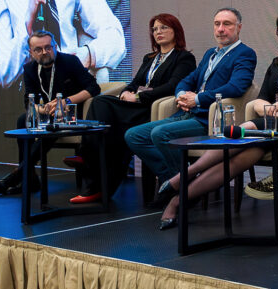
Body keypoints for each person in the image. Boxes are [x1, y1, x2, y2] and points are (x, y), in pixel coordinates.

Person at [157, 10, 278, 229]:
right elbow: (259, 101)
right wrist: (273, 110)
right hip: (273, 123)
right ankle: (177, 201)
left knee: (246, 128)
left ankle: (183, 177)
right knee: (239, 158)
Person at [125, 7, 257, 209]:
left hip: (208, 119)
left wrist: (198, 99)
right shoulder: (210, 53)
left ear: (239, 27)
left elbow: (236, 87)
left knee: (160, 134)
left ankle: (181, 190)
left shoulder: (245, 53)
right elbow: (187, 80)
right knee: (133, 135)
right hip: (187, 113)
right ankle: (179, 184)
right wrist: (181, 95)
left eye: (227, 24)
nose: (221, 29)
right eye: (217, 24)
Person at [68, 14, 197, 204]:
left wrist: (137, 97)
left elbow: (172, 86)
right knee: (102, 108)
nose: (158, 32)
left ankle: (87, 158)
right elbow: (135, 83)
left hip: (152, 108)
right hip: (135, 108)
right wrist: (126, 92)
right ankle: (95, 174)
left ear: (175, 31)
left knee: (102, 106)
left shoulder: (184, 58)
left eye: (163, 27)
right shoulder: (150, 58)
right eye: (155, 29)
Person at [0, 30, 98, 195]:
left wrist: (66, 101)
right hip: (49, 113)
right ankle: (30, 179)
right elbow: (29, 101)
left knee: (54, 122)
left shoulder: (70, 61)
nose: (44, 52)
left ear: (55, 47)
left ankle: (19, 174)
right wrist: (42, 109)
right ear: (31, 52)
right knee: (23, 120)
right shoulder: (29, 69)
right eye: (38, 49)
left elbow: (94, 87)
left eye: (48, 47)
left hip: (71, 113)